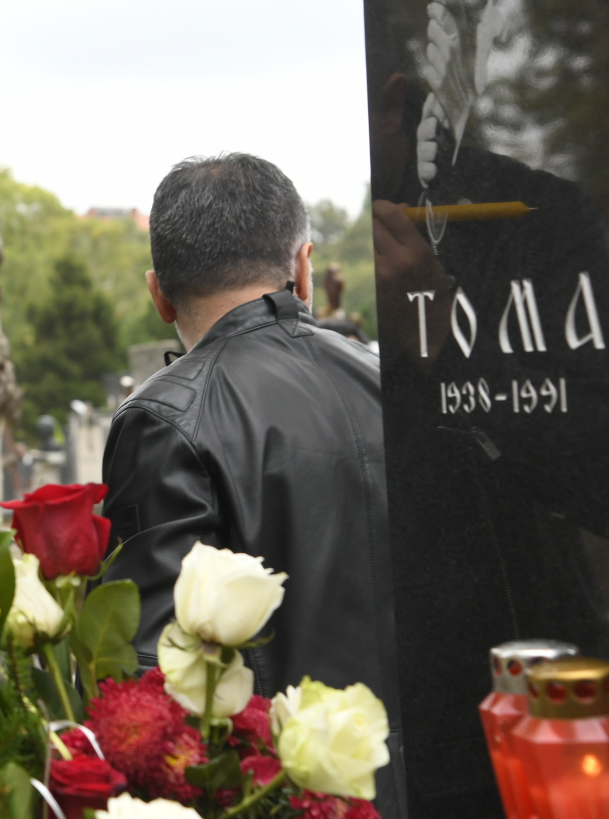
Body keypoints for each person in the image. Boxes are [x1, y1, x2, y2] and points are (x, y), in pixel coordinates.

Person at [99, 154, 403, 817]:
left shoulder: (163, 419)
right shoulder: (398, 385)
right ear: (303, 267)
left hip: (280, 794)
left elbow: (154, 674)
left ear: (158, 294)